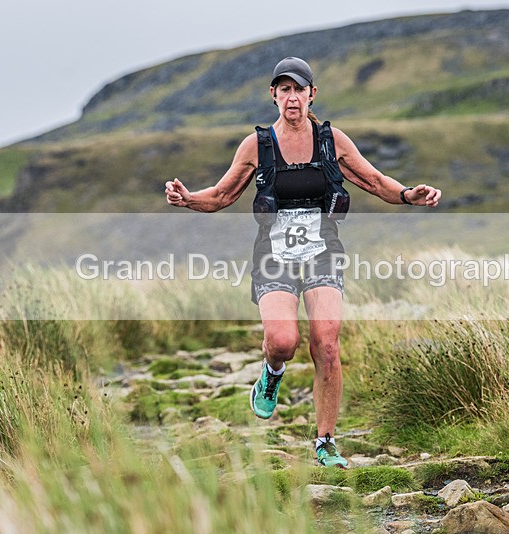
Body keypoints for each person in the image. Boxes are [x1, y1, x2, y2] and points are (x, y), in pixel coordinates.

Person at [165, 57, 441, 468]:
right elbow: (222, 196)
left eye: (299, 89)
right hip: (273, 256)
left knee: (326, 344)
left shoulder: (332, 140)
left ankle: (326, 441)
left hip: (322, 252)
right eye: (284, 89)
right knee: (282, 342)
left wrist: (407, 195)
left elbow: (375, 181)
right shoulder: (256, 145)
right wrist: (188, 199)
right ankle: (271, 373)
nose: (291, 97)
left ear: (312, 94)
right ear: (273, 95)